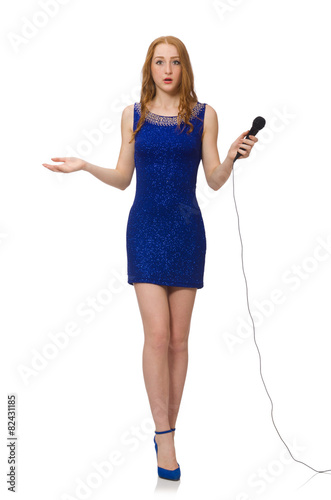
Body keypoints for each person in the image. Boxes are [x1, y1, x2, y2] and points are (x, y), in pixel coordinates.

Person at [42, 35, 258, 481]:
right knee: (157, 337)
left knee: (180, 341)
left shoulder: (204, 116)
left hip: (187, 232)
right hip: (144, 231)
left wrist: (234, 156)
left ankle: (168, 430)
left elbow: (215, 180)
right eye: (159, 61)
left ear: (184, 68)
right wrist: (85, 165)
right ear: (149, 67)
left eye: (174, 62)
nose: (167, 69)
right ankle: (165, 439)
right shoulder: (133, 115)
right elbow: (123, 178)